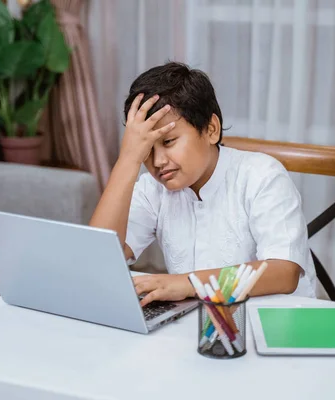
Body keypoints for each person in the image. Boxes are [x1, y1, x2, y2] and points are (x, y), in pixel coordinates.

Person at [89, 61, 316, 306]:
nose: (158, 161)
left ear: (211, 130)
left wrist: (188, 283)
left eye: (168, 142)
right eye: (146, 149)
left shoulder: (262, 174)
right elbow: (98, 259)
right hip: (201, 322)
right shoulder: (151, 188)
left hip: (275, 323)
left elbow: (283, 273)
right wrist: (128, 159)